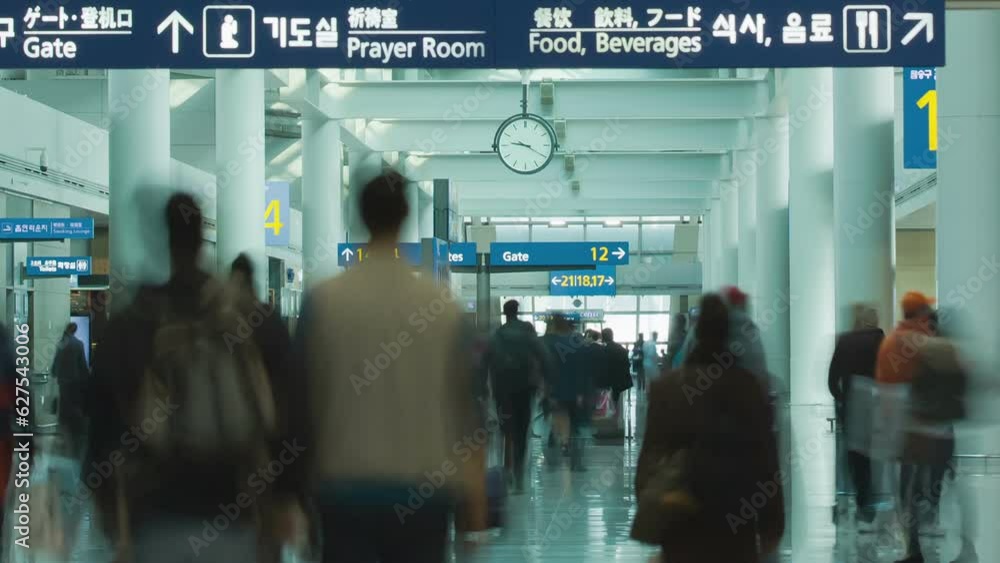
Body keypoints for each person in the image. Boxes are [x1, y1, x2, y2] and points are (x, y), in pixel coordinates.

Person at [292, 170, 486, 563]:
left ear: (362, 216)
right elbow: (466, 412)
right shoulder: (442, 308)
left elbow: (299, 404)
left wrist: (288, 495)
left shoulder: (324, 301)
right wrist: (474, 502)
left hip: (343, 488)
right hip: (424, 490)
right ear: (405, 217)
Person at [87, 194, 291, 563]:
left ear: (161, 238)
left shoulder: (132, 324)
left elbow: (102, 429)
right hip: (236, 514)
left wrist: (111, 518)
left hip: (156, 518)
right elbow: (283, 418)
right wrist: (286, 502)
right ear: (203, 236)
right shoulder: (253, 320)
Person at [635, 294, 784, 563]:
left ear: (695, 332)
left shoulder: (667, 388)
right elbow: (765, 460)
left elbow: (651, 454)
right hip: (736, 512)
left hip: (679, 510)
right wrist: (772, 524)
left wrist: (648, 505)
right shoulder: (746, 387)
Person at [876, 291, 937, 563]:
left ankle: (913, 546)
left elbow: (884, 388)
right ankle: (915, 546)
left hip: (900, 430)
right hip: (920, 429)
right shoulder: (923, 343)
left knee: (907, 490)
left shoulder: (891, 342)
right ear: (919, 314)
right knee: (920, 488)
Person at [483, 299, 548, 493]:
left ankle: (507, 469)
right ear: (517, 311)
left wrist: (480, 387)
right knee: (521, 431)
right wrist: (548, 382)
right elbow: (544, 356)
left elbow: (484, 361)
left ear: (505, 313)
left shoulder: (497, 335)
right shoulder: (528, 332)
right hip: (525, 388)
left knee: (506, 431)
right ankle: (518, 473)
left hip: (502, 389)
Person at [828, 304, 884, 529]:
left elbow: (832, 378)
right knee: (872, 454)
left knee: (853, 455)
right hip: (875, 403)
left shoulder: (844, 340)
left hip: (851, 402)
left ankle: (856, 498)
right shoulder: (880, 340)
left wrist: (841, 399)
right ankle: (870, 500)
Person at [51, 322, 90, 453]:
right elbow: (82, 366)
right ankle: (75, 435)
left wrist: (54, 373)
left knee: (64, 408)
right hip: (74, 382)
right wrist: (87, 380)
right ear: (75, 331)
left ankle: (64, 436)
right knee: (74, 407)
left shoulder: (61, 343)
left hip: (63, 382)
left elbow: (55, 363)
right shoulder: (79, 344)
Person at [601, 328, 633, 405]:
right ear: (612, 336)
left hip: (609, 381)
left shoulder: (604, 350)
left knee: (608, 403)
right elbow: (627, 364)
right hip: (620, 381)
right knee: (617, 402)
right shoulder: (620, 348)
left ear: (603, 337)